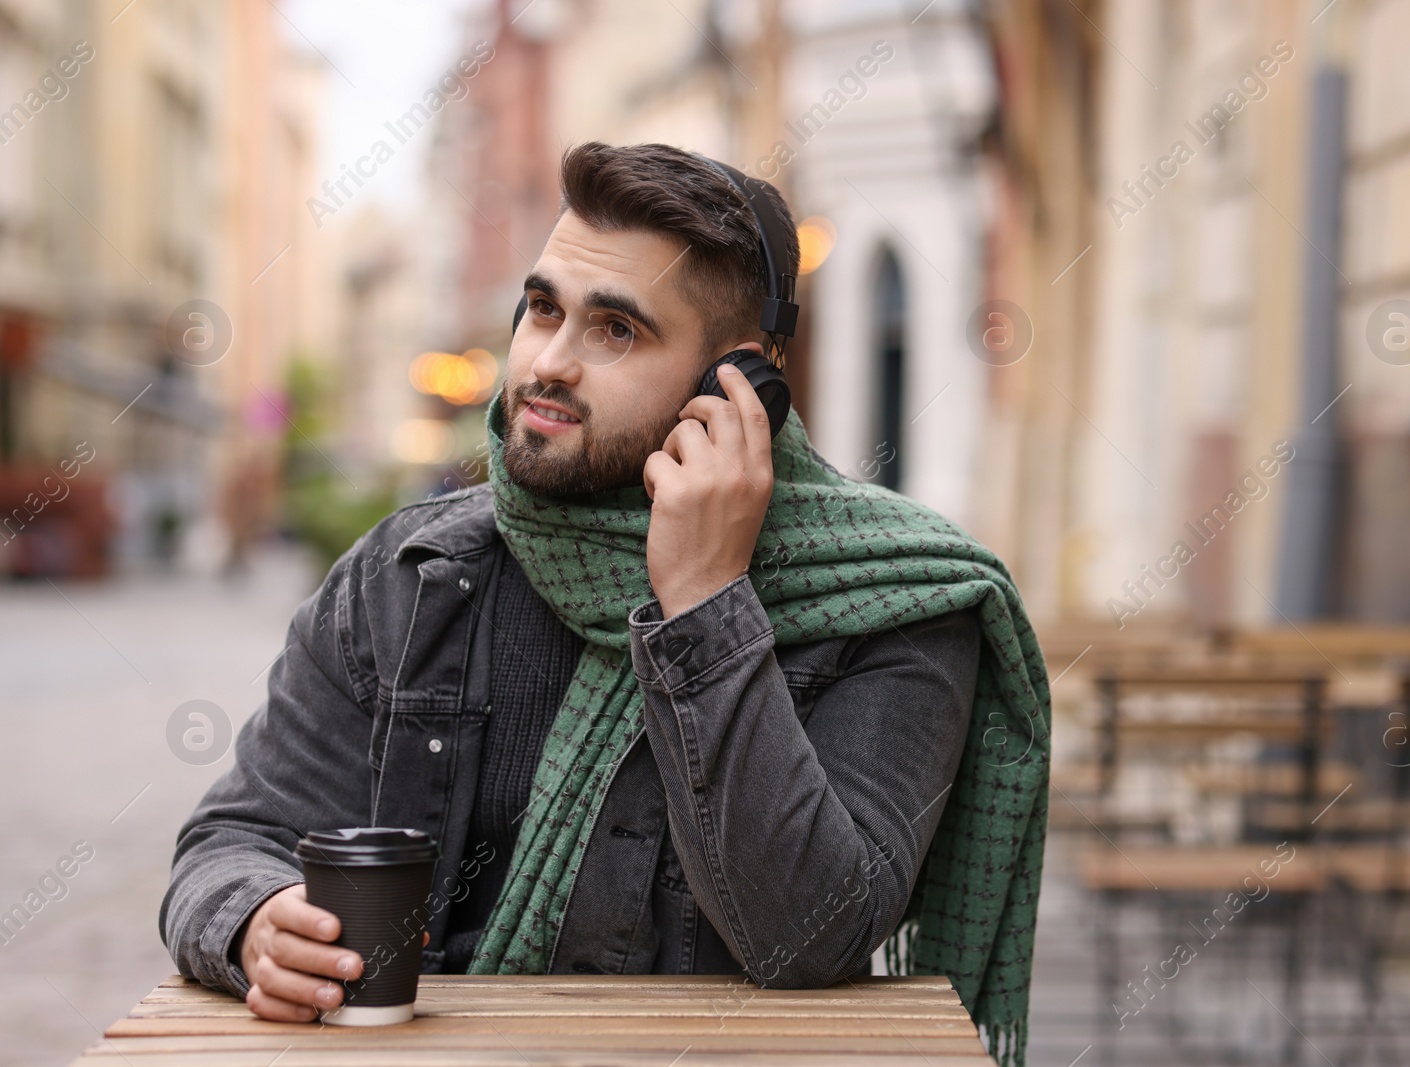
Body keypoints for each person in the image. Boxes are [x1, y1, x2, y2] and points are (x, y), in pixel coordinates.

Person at [160, 141, 1051, 1066]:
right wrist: (256, 922)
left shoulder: (894, 600)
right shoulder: (408, 575)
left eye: (617, 331)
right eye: (543, 308)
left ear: (734, 385)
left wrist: (706, 601)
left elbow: (809, 936)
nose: (549, 362)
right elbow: (233, 839)